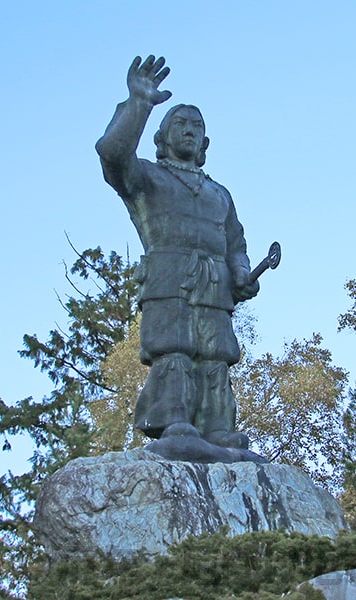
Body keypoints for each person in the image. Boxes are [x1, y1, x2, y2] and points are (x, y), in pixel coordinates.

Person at [95, 55, 259, 453]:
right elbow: (112, 155)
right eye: (179, 124)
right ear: (163, 136)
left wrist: (241, 272)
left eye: (196, 125)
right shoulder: (148, 177)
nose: (189, 130)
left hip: (214, 284)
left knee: (216, 355)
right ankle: (175, 421)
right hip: (169, 277)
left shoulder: (220, 194)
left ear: (205, 142)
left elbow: (235, 243)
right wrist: (139, 105)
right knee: (175, 348)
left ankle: (218, 426)